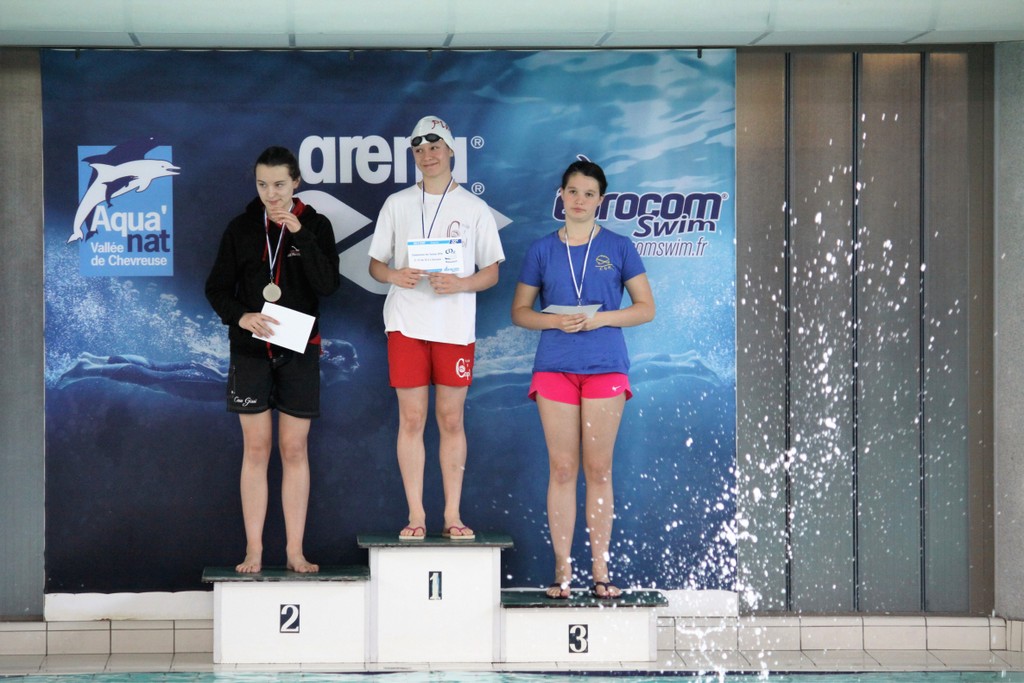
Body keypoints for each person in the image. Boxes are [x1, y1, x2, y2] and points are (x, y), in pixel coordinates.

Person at [510, 159, 655, 599]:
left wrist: (601, 319)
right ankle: (562, 570)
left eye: (589, 194)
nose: (579, 200)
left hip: (605, 365)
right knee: (562, 468)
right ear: (561, 195)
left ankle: (600, 570)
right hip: (554, 366)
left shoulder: (619, 246)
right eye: (572, 191)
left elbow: (645, 308)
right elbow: (520, 312)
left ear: (600, 200)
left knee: (598, 468)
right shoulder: (541, 249)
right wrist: (555, 322)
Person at [368, 115, 505, 541]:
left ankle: (452, 515)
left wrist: (461, 283)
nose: (427, 155)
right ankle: (416, 515)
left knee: (450, 419)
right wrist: (395, 275)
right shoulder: (397, 203)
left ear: (450, 151)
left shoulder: (474, 208)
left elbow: (492, 272)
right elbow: (375, 266)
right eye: (419, 149)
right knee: (411, 419)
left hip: (454, 326)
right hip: (406, 323)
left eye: (434, 147)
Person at [205, 146, 340, 573]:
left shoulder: (316, 225)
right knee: (257, 448)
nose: (271, 193)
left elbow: (328, 285)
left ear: (296, 181)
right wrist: (241, 316)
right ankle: (254, 550)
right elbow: (216, 289)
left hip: (299, 350)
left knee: (294, 448)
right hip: (251, 352)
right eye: (263, 184)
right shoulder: (241, 228)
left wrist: (301, 236)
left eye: (280, 184)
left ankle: (295, 551)